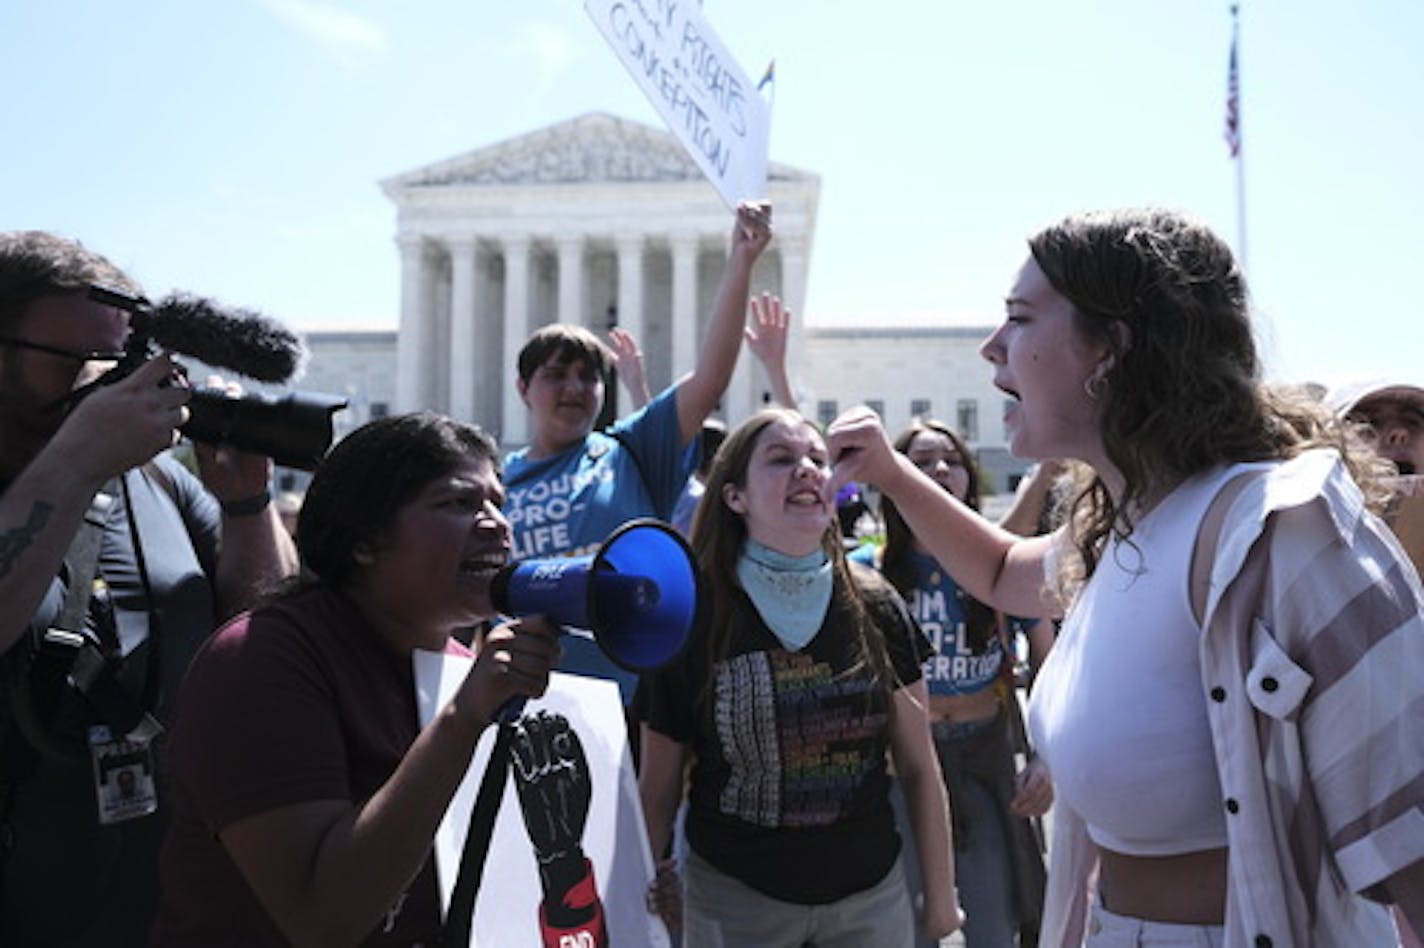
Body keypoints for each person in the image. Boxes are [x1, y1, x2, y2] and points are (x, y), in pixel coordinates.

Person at [826, 208, 1424, 946]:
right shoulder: (1122, 528)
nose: (990, 348)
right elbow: (1002, 569)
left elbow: (1412, 844)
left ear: (1111, 349)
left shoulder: (1288, 534)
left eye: (1018, 319)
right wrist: (887, 471)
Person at [155, 412, 562, 945]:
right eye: (459, 503)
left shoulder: (463, 668)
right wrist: (463, 717)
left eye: (497, 503)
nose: (497, 524)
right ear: (366, 539)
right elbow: (322, 918)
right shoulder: (261, 660)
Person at [0, 231, 297, 946]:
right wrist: (75, 457)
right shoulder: (83, 458)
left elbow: (260, 632)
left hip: (162, 902)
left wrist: (248, 504)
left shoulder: (157, 480)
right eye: (76, 364)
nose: (102, 384)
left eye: (117, 360)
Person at [638, 407, 963, 946]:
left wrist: (942, 903)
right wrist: (644, 894)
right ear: (734, 496)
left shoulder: (877, 604)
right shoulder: (691, 616)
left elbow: (919, 767)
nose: (808, 470)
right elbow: (659, 788)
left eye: (818, 458)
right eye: (782, 459)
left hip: (871, 899)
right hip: (733, 903)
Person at [502, 201, 771, 704]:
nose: (575, 388)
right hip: (528, 699)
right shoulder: (498, 481)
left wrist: (740, 263)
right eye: (556, 375)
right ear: (523, 388)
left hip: (631, 699)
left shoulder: (630, 451)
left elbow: (710, 378)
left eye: (588, 376)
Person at [850, 418, 1054, 947]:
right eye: (920, 461)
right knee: (907, 922)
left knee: (993, 918)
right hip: (901, 766)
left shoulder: (1001, 563)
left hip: (983, 759)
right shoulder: (869, 571)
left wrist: (1048, 755)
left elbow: (1053, 664)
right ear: (895, 477)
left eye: (952, 459)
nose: (940, 470)